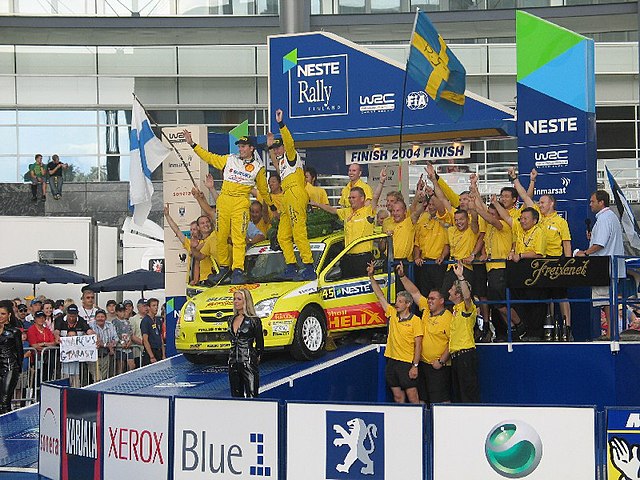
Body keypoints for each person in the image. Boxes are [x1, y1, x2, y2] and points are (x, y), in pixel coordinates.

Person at [183, 129, 274, 284]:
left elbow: (264, 190)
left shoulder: (258, 167)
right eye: (240, 146)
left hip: (240, 202)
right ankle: (224, 267)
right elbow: (210, 157)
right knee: (220, 236)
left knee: (239, 238)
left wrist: (272, 206)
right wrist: (192, 144)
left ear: (252, 148)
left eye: (244, 146)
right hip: (224, 201)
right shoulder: (230, 159)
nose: (241, 149)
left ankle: (238, 270)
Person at [266, 108, 315, 280]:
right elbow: (276, 164)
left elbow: (289, 141)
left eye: (279, 148)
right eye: (277, 148)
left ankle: (309, 266)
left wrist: (281, 124)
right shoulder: (283, 163)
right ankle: (291, 265)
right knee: (282, 235)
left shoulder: (291, 156)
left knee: (298, 231)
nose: (278, 151)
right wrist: (270, 146)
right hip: (287, 195)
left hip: (296, 192)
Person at [311, 170, 385, 279]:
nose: (350, 200)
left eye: (353, 197)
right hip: (348, 257)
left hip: (363, 258)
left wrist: (381, 182)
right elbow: (332, 210)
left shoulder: (368, 211)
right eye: (350, 197)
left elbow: (375, 197)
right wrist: (317, 204)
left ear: (362, 199)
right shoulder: (347, 211)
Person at [396, 263, 451, 405]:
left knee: (441, 402)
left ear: (441, 301)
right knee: (422, 400)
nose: (429, 300)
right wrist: (402, 276)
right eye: (429, 298)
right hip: (422, 365)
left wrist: (441, 361)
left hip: (438, 367)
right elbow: (414, 292)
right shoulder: (426, 310)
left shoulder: (448, 317)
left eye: (433, 298)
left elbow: (452, 342)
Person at [367, 261, 422, 404]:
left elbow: (418, 345)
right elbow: (380, 296)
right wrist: (371, 277)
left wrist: (414, 366)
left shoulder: (416, 320)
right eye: (397, 301)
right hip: (391, 361)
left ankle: (417, 422)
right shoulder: (392, 314)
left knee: (413, 396)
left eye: (400, 301)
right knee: (398, 397)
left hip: (406, 363)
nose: (396, 304)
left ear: (408, 304)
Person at [576, 190, 625, 339]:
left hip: (604, 267)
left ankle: (611, 334)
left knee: (607, 302)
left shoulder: (604, 219)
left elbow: (600, 244)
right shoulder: (611, 217)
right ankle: (612, 332)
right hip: (610, 266)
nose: (590, 204)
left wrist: (585, 252)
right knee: (608, 302)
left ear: (601, 202)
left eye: (592, 201)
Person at [448, 261, 480, 403]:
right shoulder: (455, 309)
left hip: (465, 355)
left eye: (452, 289)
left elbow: (467, 297)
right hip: (455, 357)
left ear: (458, 294)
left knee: (468, 393)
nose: (448, 291)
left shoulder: (467, 307)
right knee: (458, 394)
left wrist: (461, 278)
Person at [228, 288, 264, 398]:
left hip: (248, 361)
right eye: (234, 299)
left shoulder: (254, 320)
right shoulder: (231, 319)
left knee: (252, 394)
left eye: (239, 299)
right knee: (236, 395)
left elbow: (260, 343)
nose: (235, 302)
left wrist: (256, 357)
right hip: (233, 362)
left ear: (246, 301)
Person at [164, 206, 202, 285]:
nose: (192, 232)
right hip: (192, 281)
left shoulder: (205, 241)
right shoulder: (188, 242)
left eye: (194, 229)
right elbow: (177, 231)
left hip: (205, 279)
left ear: (199, 229)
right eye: (190, 230)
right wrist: (167, 216)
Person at [0, 302, 23, 413]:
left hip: (10, 367)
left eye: (3, 314)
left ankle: (7, 427)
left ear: (9, 315)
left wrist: (18, 369)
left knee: (4, 400)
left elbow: (20, 352)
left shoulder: (14, 332)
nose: (0, 316)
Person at [89, 309, 118, 380]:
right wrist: (106, 345)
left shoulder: (110, 325)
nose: (100, 318)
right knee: (98, 377)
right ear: (95, 318)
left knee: (103, 377)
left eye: (102, 316)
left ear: (105, 317)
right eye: (98, 317)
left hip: (105, 355)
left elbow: (116, 338)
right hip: (93, 356)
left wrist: (112, 344)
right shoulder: (90, 325)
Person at [112, 302, 136, 373]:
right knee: (120, 366)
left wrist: (130, 342)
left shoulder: (128, 322)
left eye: (123, 311)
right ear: (116, 312)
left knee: (132, 365)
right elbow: (115, 334)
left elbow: (131, 333)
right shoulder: (114, 322)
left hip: (128, 347)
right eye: (120, 311)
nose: (122, 313)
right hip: (119, 347)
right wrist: (121, 342)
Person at [140, 298, 165, 366]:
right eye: (153, 306)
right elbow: (145, 340)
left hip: (159, 351)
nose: (156, 308)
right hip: (151, 351)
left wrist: (163, 354)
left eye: (157, 305)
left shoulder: (158, 320)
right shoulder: (145, 321)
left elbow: (161, 338)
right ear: (148, 307)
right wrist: (151, 356)